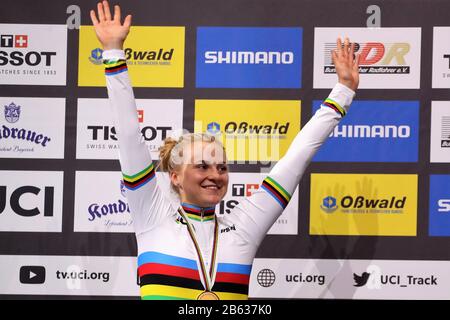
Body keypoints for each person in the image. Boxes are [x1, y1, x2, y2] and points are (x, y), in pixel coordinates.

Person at [91, 0, 359, 300]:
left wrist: (344, 90)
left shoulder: (244, 226)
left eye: (222, 167)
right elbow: (128, 134)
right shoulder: (151, 215)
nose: (215, 175)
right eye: (202, 166)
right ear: (176, 177)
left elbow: (297, 157)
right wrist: (113, 51)